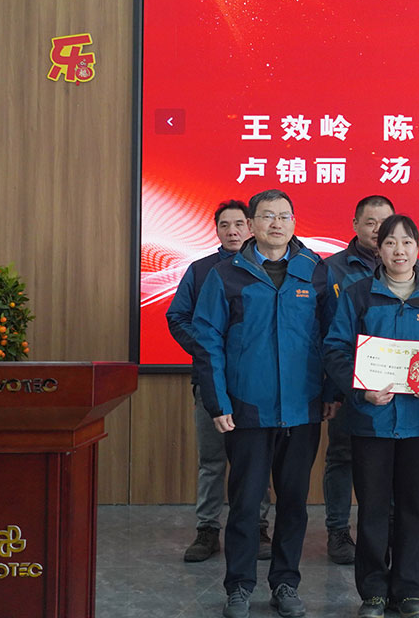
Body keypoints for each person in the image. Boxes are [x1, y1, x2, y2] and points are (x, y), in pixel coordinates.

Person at [191, 189, 339, 618]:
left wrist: (330, 393)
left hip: (302, 407)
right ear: (252, 224)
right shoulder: (225, 275)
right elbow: (207, 341)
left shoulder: (315, 271)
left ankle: (286, 584)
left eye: (284, 216)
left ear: (294, 222)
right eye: (268, 216)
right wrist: (218, 402)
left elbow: (333, 337)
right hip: (247, 409)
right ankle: (239, 586)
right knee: (245, 502)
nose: (277, 223)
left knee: (294, 503)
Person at [323, 214, 419, 618]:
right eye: (390, 243)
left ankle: (408, 590)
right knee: (373, 508)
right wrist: (359, 388)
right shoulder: (358, 294)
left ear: (418, 248)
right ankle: (373, 592)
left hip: (418, 420)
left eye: (407, 242)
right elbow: (335, 348)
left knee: (413, 509)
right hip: (371, 419)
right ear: (378, 249)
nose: (399, 251)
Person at [166, 199, 272, 564]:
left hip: (255, 385)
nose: (232, 231)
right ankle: (207, 529)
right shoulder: (200, 270)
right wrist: (208, 350)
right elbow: (177, 316)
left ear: (251, 227)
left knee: (256, 460)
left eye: (239, 224)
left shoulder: (267, 269)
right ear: (215, 230)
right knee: (212, 460)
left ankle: (257, 526)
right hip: (210, 381)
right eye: (224, 225)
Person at [322, 195, 397, 566]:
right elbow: (322, 331)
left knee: (390, 459)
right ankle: (338, 531)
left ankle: (387, 530)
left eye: (385, 223)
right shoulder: (331, 269)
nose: (378, 230)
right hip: (347, 384)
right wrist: (332, 389)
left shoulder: (408, 265)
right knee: (341, 456)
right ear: (355, 225)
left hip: (396, 387)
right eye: (370, 222)